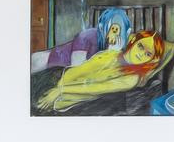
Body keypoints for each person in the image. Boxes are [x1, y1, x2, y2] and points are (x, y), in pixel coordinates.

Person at [35, 30, 167, 112]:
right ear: (133, 40)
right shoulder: (111, 54)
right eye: (141, 46)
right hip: (61, 80)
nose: (141, 54)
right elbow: (81, 69)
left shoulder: (132, 78)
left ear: (152, 59)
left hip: (69, 97)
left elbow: (94, 89)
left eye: (148, 54)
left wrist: (60, 90)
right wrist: (59, 85)